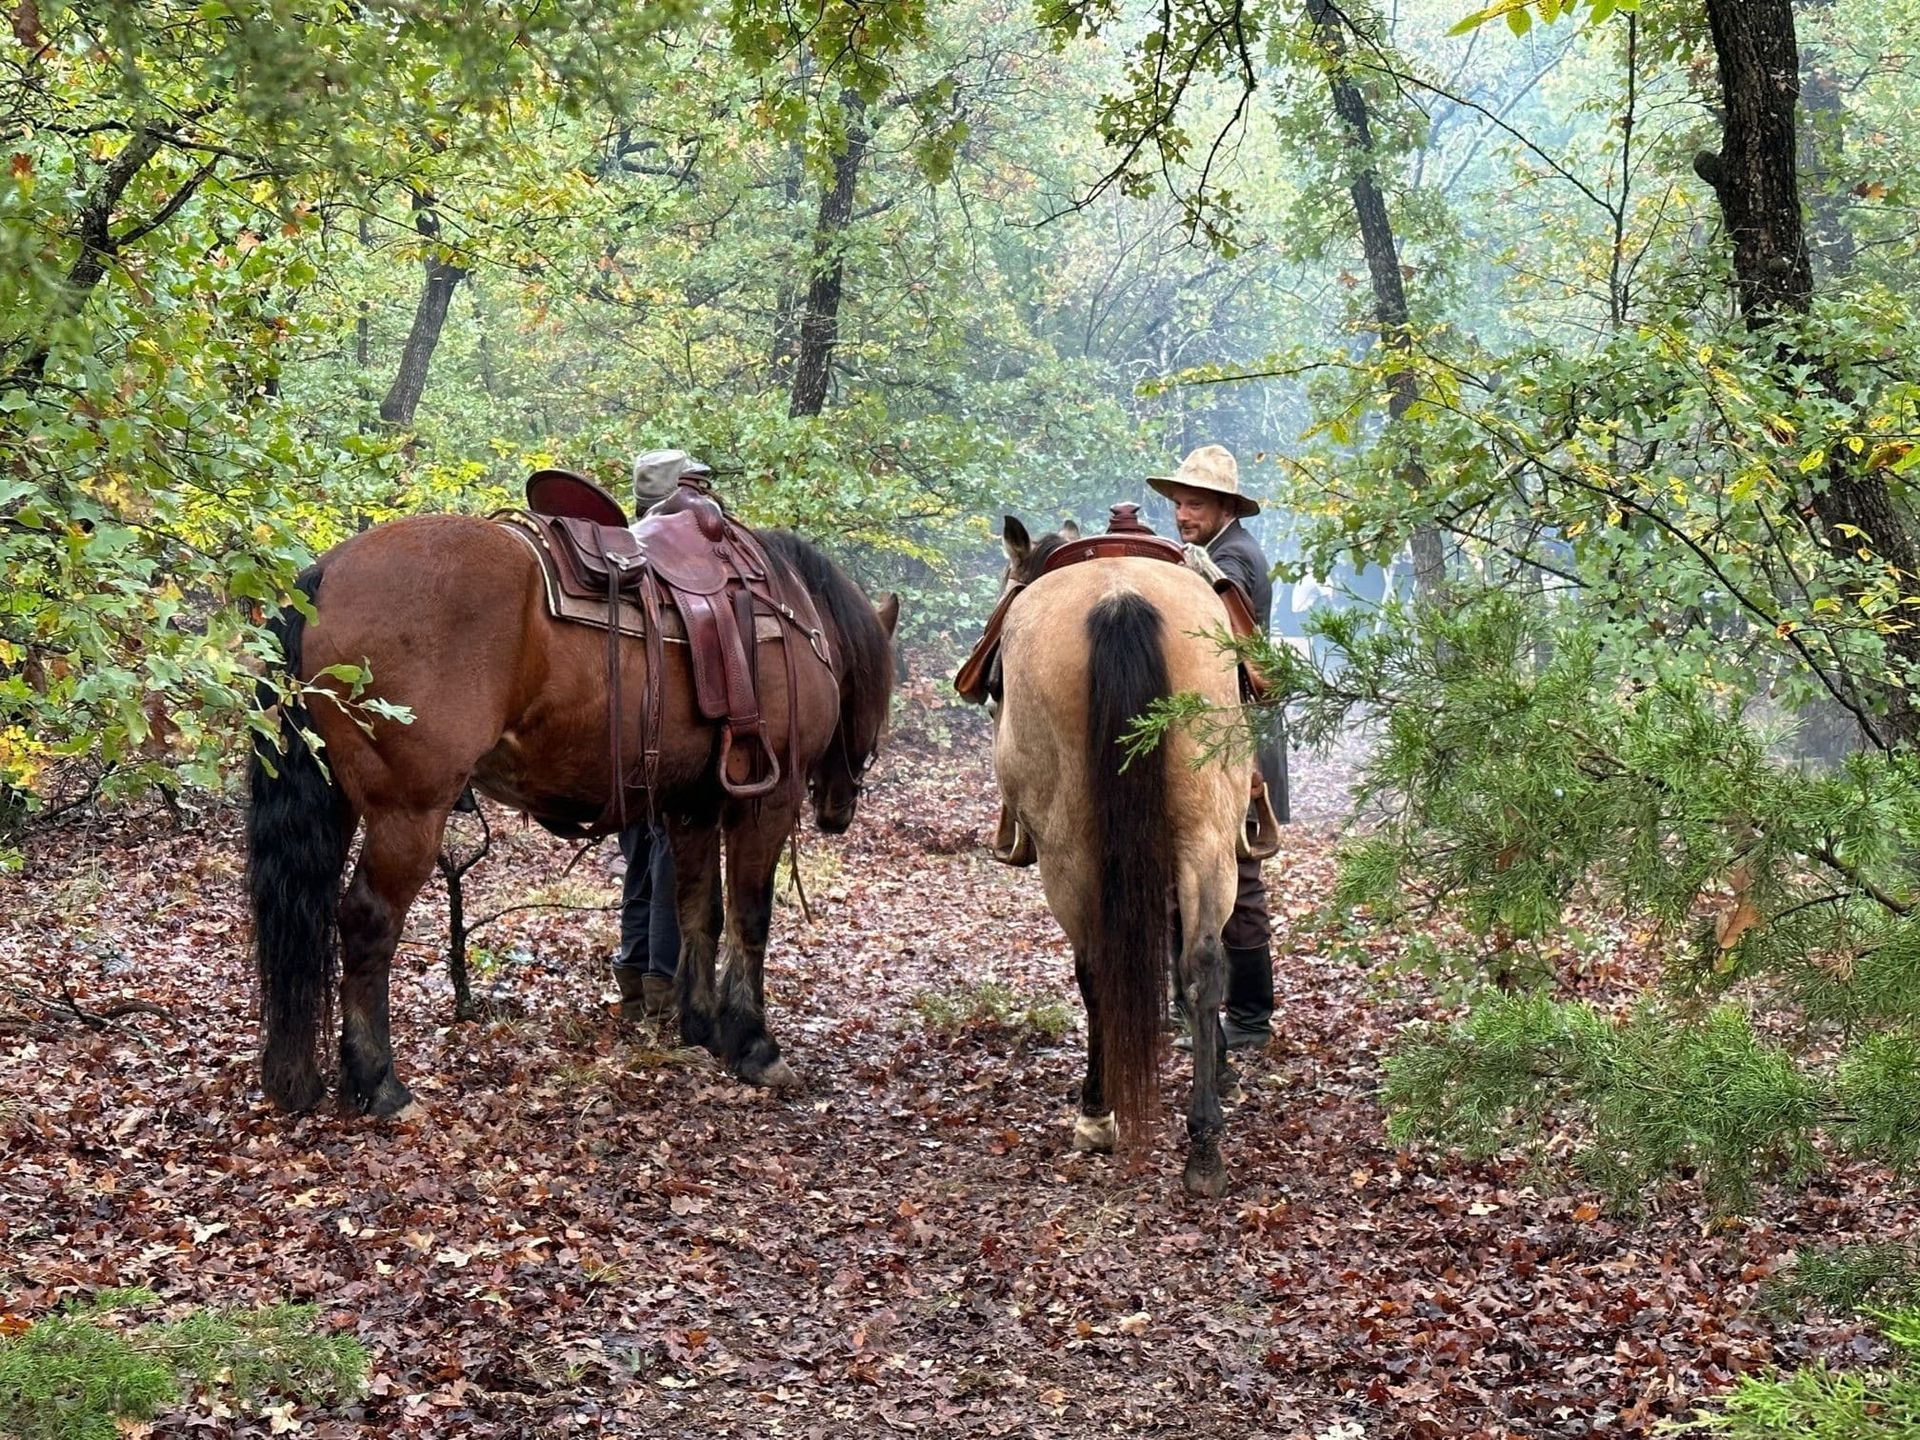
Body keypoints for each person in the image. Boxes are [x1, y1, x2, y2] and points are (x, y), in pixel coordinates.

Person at [1147, 443, 1280, 1051]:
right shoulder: (1212, 553)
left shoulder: (1233, 559)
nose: (1182, 514)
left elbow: (1223, 640)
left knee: (1240, 879)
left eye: (1195, 505)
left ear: (1225, 507)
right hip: (1216, 735)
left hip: (1238, 739)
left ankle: (1249, 1017)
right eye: (1179, 504)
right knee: (1189, 877)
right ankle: (1197, 1010)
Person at [610, 449, 722, 1021]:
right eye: (699, 489)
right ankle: (662, 985)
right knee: (668, 856)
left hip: (623, 736)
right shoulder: (683, 566)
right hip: (667, 739)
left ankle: (634, 977)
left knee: (640, 854)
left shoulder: (622, 556)